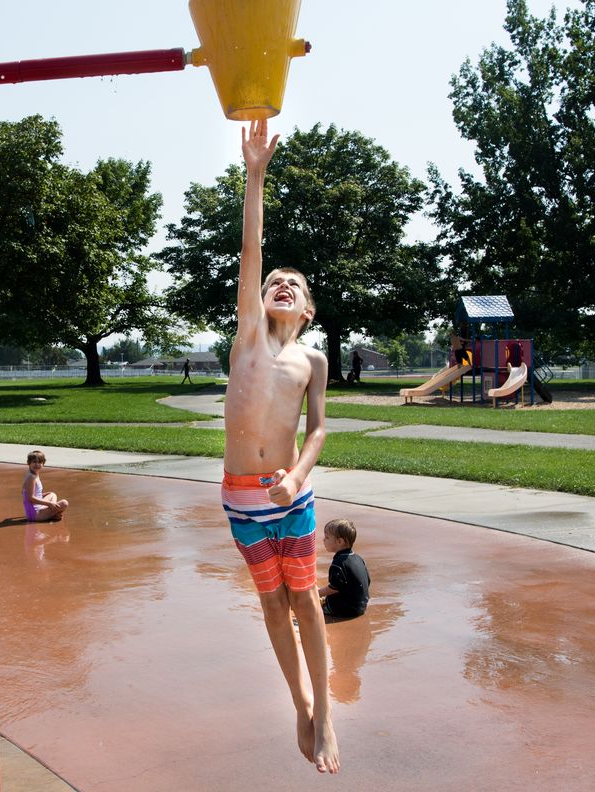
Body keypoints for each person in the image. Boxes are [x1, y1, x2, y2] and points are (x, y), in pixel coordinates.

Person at [222, 118, 339, 773]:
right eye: (274, 283)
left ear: (308, 310)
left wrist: (297, 475)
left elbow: (318, 429)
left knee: (306, 602)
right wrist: (256, 174)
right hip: (241, 499)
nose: (281, 285)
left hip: (291, 498)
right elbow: (251, 249)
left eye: (294, 285)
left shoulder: (313, 362)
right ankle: (299, 703)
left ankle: (327, 715)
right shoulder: (247, 339)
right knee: (271, 605)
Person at [319, 519, 370, 620]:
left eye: (327, 537)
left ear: (340, 541)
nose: (323, 540)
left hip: (345, 610)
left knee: (310, 607)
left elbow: (333, 588)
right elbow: (367, 581)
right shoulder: (359, 559)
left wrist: (316, 593)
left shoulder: (338, 564)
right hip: (360, 607)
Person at [21, 450, 68, 522]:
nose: (37, 464)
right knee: (64, 503)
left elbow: (24, 493)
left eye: (39, 462)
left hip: (35, 510)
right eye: (34, 462)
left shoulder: (33, 474)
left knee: (52, 494)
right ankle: (54, 514)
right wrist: (49, 503)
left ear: (43, 464)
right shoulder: (31, 477)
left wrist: (44, 498)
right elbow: (30, 498)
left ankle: (53, 512)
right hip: (35, 515)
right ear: (28, 463)